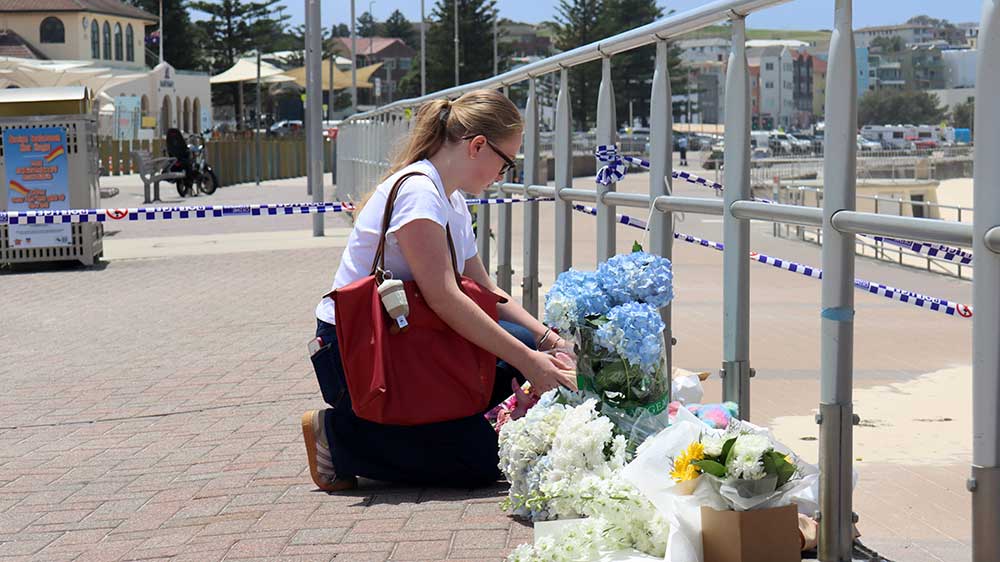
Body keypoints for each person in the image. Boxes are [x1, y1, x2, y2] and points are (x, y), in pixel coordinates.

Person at [303, 90, 577, 492]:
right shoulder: (419, 194)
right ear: (477, 146)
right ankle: (341, 436)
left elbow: (483, 288)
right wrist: (530, 360)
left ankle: (446, 427)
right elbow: (445, 297)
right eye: (506, 163)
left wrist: (548, 340)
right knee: (483, 459)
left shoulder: (450, 197)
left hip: (404, 335)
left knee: (522, 354)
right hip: (356, 352)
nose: (504, 175)